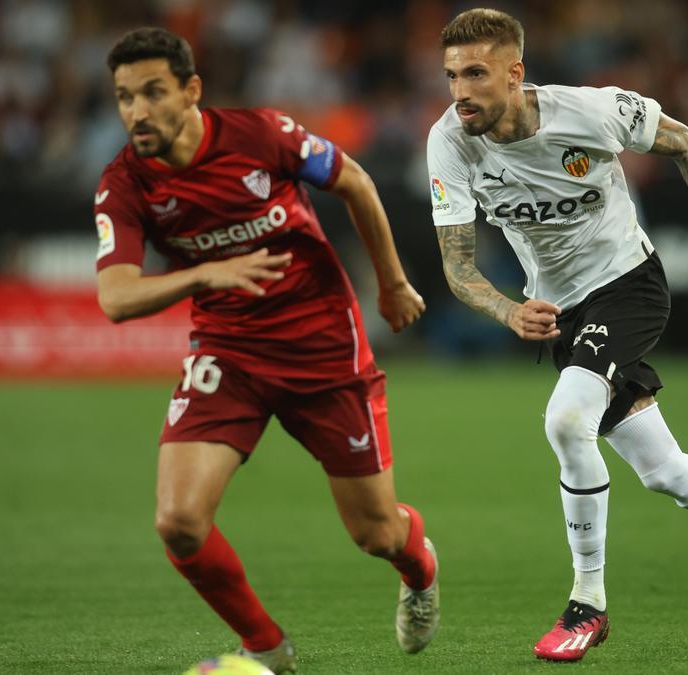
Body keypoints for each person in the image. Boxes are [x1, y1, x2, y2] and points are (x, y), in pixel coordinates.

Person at [426, 9, 688, 663]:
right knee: (668, 473)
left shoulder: (589, 112)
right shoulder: (449, 142)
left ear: (515, 74)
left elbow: (684, 140)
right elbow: (458, 268)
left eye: (476, 74)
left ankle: (587, 604)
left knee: (568, 421)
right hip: (567, 314)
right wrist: (507, 310)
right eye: (452, 75)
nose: (461, 91)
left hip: (629, 284)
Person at [94, 27, 439, 673]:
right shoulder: (124, 184)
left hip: (323, 347)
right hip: (228, 352)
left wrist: (391, 284)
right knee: (179, 521)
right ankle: (268, 651)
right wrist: (204, 275)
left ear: (191, 91)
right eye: (123, 97)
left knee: (376, 534)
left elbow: (356, 182)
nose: (137, 112)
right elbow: (115, 298)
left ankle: (419, 564)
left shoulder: (262, 134)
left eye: (152, 93)